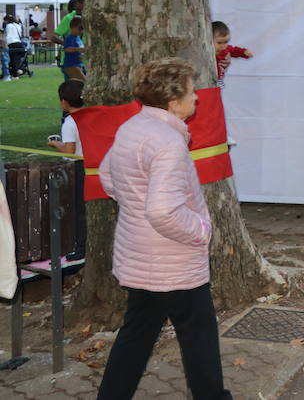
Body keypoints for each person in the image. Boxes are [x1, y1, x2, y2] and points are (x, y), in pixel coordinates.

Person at [96, 58, 229, 399]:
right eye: (190, 91)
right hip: (174, 260)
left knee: (136, 335)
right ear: (173, 102)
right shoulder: (167, 143)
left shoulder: (133, 127)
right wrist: (201, 230)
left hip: (141, 256)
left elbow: (109, 178)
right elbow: (162, 211)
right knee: (199, 339)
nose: (197, 97)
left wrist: (136, 204)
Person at [50, 79, 87, 260]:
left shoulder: (70, 123)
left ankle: (81, 248)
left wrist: (56, 144)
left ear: (64, 102)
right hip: (93, 164)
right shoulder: (91, 116)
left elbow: (70, 151)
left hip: (80, 167)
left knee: (80, 209)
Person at [62, 16, 86, 81]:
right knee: (85, 83)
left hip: (79, 64)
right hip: (71, 65)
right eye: (80, 28)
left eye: (83, 28)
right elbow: (66, 49)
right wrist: (77, 49)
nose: (82, 30)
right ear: (73, 27)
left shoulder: (78, 38)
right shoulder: (69, 38)